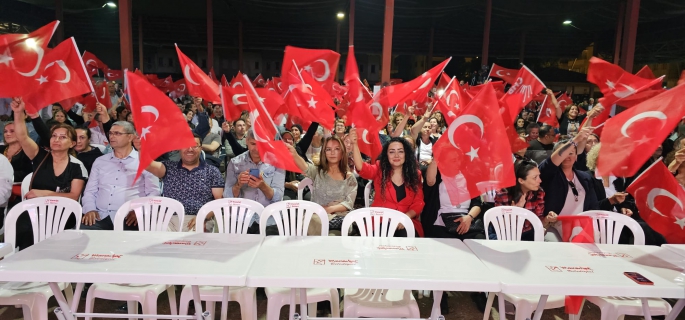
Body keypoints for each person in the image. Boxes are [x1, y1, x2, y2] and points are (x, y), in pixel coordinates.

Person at [11, 98, 87, 250]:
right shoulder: (40, 155)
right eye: (54, 136)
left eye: (63, 137)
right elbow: (22, 137)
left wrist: (45, 194)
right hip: (34, 212)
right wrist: (18, 113)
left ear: (72, 144)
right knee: (23, 227)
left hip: (61, 214)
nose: (56, 140)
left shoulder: (76, 167)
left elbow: (73, 196)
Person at [538, 128, 627, 242]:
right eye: (564, 153)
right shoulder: (549, 175)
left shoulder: (585, 178)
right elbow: (550, 163)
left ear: (576, 157)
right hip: (555, 225)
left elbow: (594, 206)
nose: (567, 156)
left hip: (582, 225)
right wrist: (575, 140)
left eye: (571, 153)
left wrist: (612, 201)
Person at [135, 133, 224, 232]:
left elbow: (218, 201)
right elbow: (146, 164)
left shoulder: (212, 171)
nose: (190, 149)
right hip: (169, 219)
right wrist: (141, 149)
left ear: (201, 148)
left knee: (194, 241)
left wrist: (203, 216)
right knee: (156, 236)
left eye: (195, 146)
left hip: (198, 218)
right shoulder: (168, 167)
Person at [81, 121, 161, 230]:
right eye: (110, 133)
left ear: (130, 137)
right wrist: (90, 209)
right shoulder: (100, 161)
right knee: (78, 238)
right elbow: (90, 191)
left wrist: (140, 210)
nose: (112, 137)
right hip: (100, 216)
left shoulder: (145, 161)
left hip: (131, 217)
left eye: (117, 133)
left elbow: (154, 192)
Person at [349, 130, 425, 237]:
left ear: (406, 154)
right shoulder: (380, 169)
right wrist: (355, 145)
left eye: (400, 151)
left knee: (405, 240)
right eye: (392, 152)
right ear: (387, 155)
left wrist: (405, 217)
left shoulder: (415, 174)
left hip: (406, 221)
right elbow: (362, 168)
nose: (396, 155)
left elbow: (418, 202)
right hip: (380, 221)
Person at [288, 136, 358, 235]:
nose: (332, 152)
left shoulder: (349, 178)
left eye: (336, 149)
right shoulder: (318, 172)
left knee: (331, 237)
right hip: (316, 216)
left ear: (342, 152)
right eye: (328, 149)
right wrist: (294, 153)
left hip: (338, 219)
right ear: (324, 152)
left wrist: (329, 209)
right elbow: (304, 166)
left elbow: (349, 203)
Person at [224, 129, 285, 234]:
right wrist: (238, 185)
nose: (257, 149)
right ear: (246, 141)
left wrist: (263, 186)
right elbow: (227, 196)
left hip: (269, 219)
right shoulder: (235, 163)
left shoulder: (277, 163)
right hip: (242, 218)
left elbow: (278, 197)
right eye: (253, 144)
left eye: (261, 145)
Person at [493, 160, 554, 241]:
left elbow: (538, 223)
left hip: (528, 234)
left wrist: (547, 220)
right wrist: (515, 210)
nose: (540, 180)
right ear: (521, 180)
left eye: (539, 176)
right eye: (535, 178)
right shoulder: (503, 194)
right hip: (506, 235)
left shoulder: (539, 192)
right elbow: (499, 226)